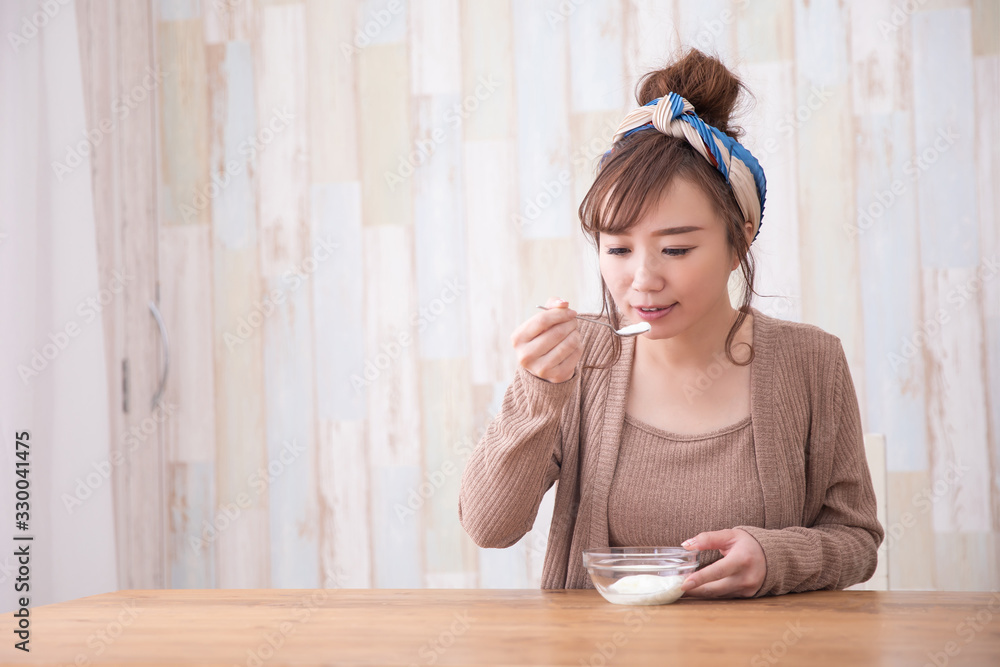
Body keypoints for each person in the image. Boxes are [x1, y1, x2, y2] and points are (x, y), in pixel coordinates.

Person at [458, 47, 884, 598]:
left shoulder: (810, 361)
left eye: (677, 249)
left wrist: (776, 557)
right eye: (617, 249)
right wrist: (539, 395)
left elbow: (856, 540)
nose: (642, 280)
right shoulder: (576, 360)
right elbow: (488, 528)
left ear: (740, 240)